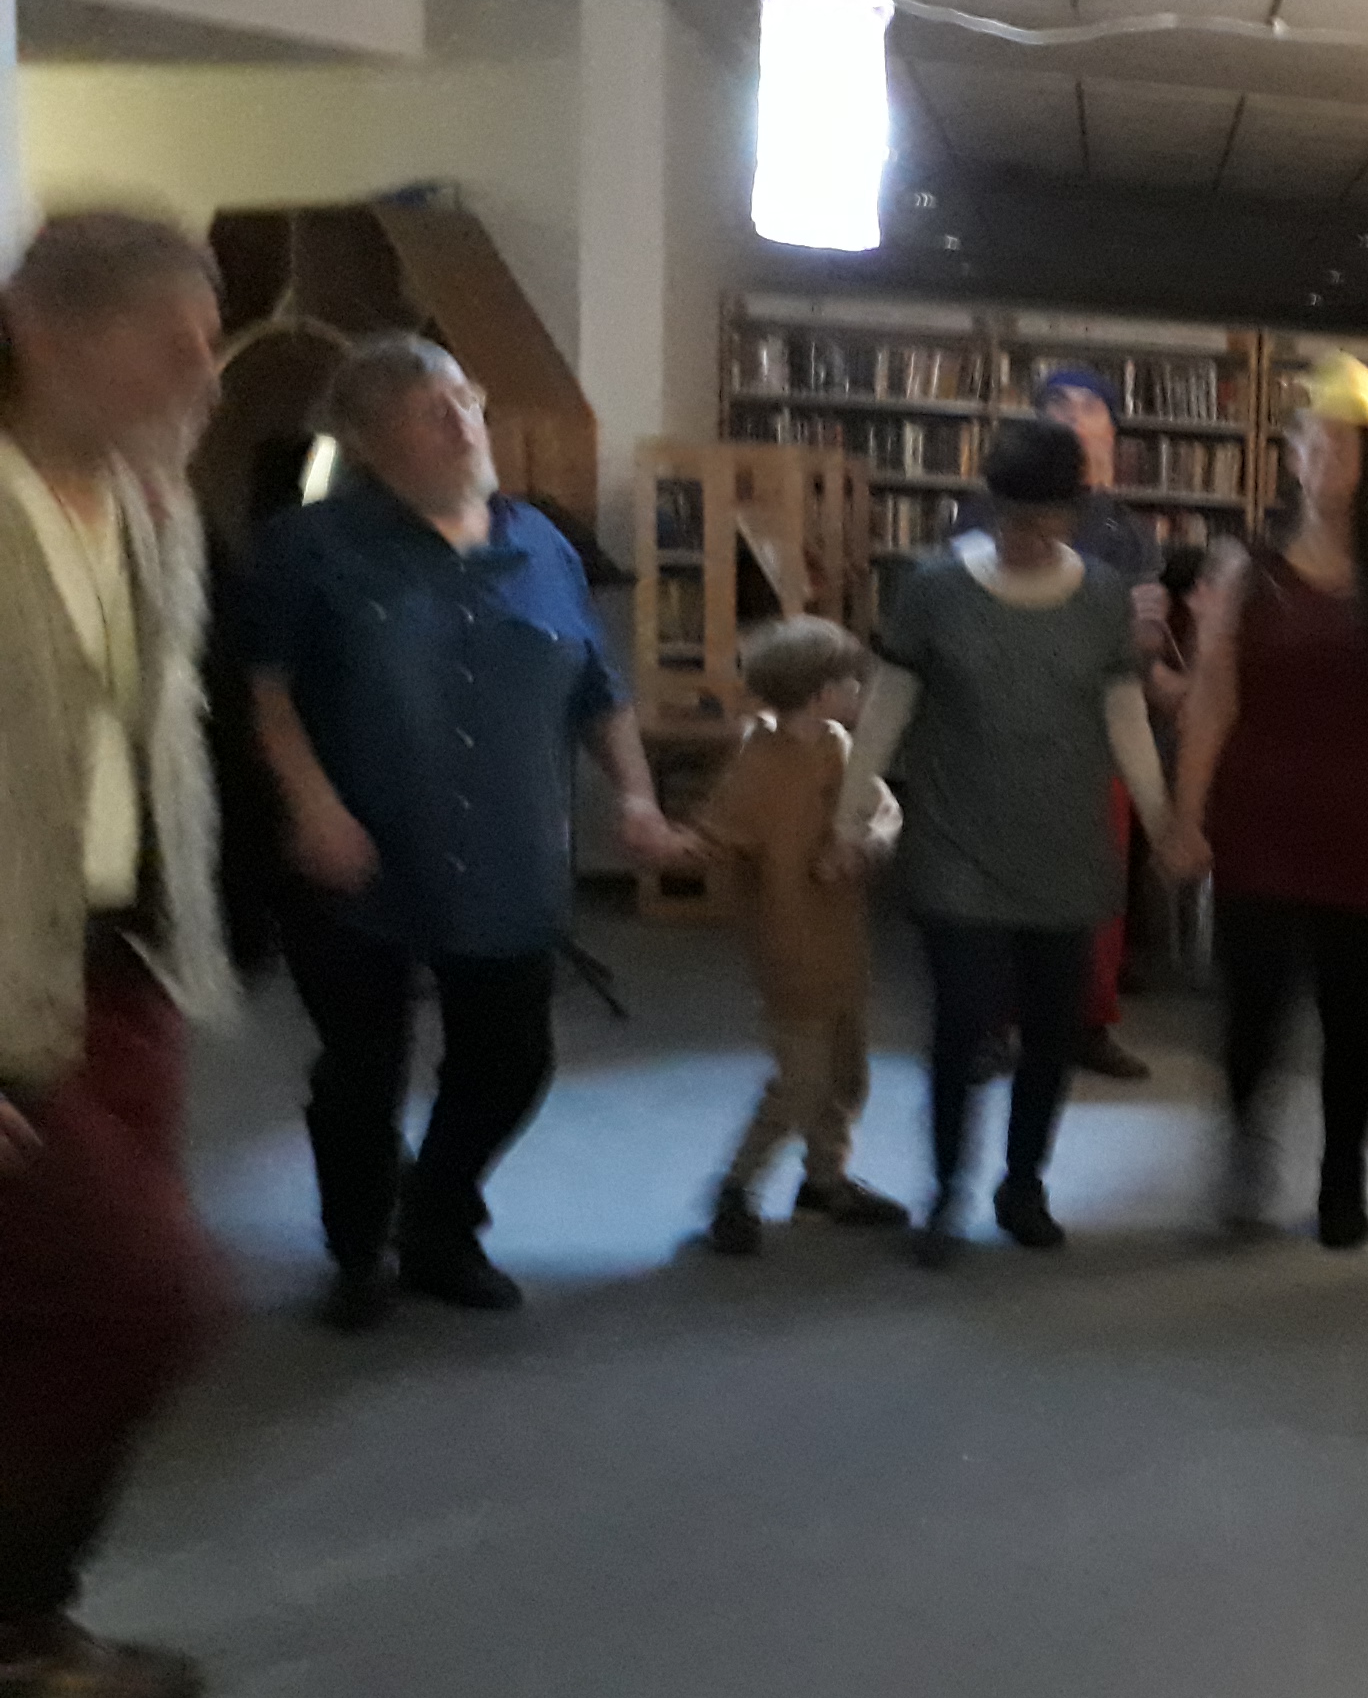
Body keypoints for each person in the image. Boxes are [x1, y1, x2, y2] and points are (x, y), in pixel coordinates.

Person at [249, 334, 694, 1328]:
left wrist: (636, 797)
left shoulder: (543, 545)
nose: (462, 425)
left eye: (465, 399)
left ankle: (438, 1220)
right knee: (362, 1071)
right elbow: (266, 691)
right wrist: (312, 805)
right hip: (359, 854)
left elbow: (597, 687)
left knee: (511, 1059)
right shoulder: (309, 548)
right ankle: (357, 1249)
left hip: (508, 850)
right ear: (370, 442)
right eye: (429, 412)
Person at [0, 212, 236, 1698]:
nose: (203, 378)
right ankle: (18, 1615)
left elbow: (154, 741)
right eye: (174, 345)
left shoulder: (151, 506)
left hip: (123, 962)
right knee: (146, 1299)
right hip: (4, 991)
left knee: (51, 1303)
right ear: (47, 333)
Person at [839, 416, 1175, 1267]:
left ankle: (1024, 1185)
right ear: (990, 506)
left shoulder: (1102, 598)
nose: (1028, 536)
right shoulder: (933, 590)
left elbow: (1125, 719)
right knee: (961, 1031)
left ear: (1073, 512)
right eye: (1014, 518)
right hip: (957, 851)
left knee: (1053, 1037)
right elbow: (886, 712)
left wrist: (1164, 821)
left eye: (1046, 519)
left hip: (1066, 852)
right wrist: (847, 817)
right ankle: (946, 1190)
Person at [1169, 352, 1368, 1249]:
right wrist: (1185, 817)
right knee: (1252, 1015)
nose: (1321, 458)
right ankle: (1246, 1151)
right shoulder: (1250, 572)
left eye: (1342, 445)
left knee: (1356, 1023)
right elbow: (1212, 704)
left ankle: (1344, 1176)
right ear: (1292, 456)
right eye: (1309, 442)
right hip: (1259, 824)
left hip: (1367, 830)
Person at [697, 617, 910, 1253]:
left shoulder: (839, 745)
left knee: (846, 1073)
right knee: (800, 1082)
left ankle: (824, 1180)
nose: (860, 691)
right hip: (790, 947)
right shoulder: (758, 765)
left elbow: (884, 811)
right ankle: (736, 1188)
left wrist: (865, 846)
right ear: (819, 694)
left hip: (842, 942)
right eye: (850, 682)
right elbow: (718, 845)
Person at [1038, 367, 1175, 1084]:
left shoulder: (1130, 533)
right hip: (1011, 723)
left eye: (1087, 407)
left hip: (1100, 724)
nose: (1070, 417)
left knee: (1099, 879)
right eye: (1056, 405)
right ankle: (997, 1024)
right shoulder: (994, 510)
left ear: (1110, 432)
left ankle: (1088, 1023)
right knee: (1006, 878)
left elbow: (1144, 641)